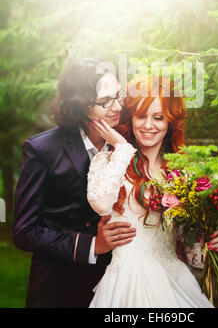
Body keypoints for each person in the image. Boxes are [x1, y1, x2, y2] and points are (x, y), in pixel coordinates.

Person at [87, 75, 218, 308]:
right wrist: (123, 149)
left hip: (174, 279)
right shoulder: (111, 159)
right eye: (141, 116)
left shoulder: (183, 173)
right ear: (131, 119)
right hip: (127, 281)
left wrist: (206, 247)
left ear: (171, 122)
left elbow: (191, 254)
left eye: (158, 117)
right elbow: (100, 204)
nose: (148, 125)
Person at [13, 58, 137, 308]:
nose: (117, 107)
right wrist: (92, 245)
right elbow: (25, 231)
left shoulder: (131, 142)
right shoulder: (42, 150)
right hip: (59, 287)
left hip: (120, 285)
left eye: (118, 96)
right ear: (80, 105)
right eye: (105, 102)